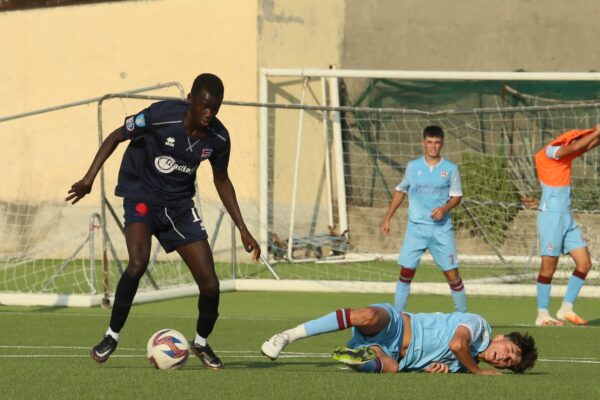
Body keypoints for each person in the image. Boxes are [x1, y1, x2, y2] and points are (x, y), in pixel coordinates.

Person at [66, 73, 260, 369]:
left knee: (210, 285)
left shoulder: (219, 138)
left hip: (180, 207)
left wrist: (243, 229)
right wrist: (89, 178)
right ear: (191, 100)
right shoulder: (160, 116)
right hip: (141, 195)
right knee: (137, 262)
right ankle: (111, 336)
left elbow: (221, 179)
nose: (209, 114)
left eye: (215, 108)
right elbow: (117, 135)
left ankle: (202, 343)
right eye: (204, 106)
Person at [261, 304, 537, 374]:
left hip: (393, 354)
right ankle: (287, 336)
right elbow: (457, 344)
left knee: (390, 367)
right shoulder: (478, 326)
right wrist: (479, 373)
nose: (504, 358)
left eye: (509, 362)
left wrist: (435, 369)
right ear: (500, 337)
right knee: (368, 315)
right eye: (509, 350)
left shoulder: (462, 367)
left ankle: (358, 356)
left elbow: (446, 358)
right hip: (396, 324)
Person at [381, 125, 466, 312]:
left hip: (441, 229)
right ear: (423, 143)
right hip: (416, 228)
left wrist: (444, 208)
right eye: (429, 142)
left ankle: (464, 317)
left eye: (436, 142)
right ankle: (398, 318)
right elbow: (400, 190)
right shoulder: (413, 167)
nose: (433, 146)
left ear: (442, 143)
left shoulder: (451, 169)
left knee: (452, 275)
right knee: (406, 273)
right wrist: (388, 218)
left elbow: (457, 196)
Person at [533, 125, 600, 326]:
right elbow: (572, 149)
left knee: (584, 263)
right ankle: (542, 314)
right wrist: (596, 132)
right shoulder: (550, 151)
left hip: (566, 219)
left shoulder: (565, 157)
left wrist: (598, 136)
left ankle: (566, 309)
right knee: (548, 268)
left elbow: (584, 147)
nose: (576, 142)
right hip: (551, 218)